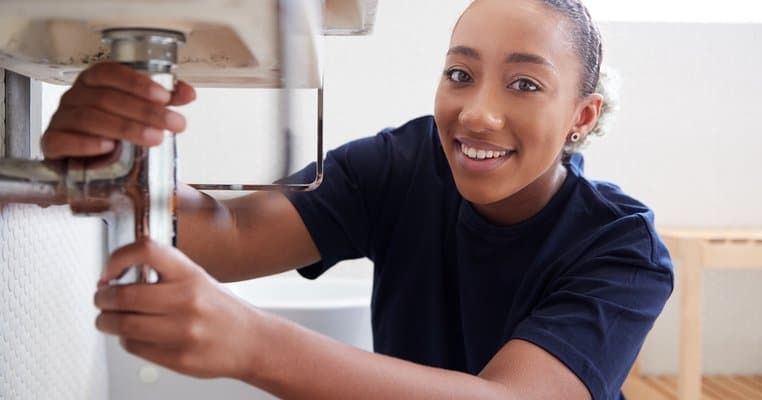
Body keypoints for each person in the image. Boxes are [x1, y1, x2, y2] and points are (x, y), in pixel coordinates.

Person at [41, 0, 673, 398]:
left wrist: (254, 344)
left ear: (581, 116)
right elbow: (225, 237)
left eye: (525, 84)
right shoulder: (402, 164)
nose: (478, 113)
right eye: (460, 74)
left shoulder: (623, 250)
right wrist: (113, 155)